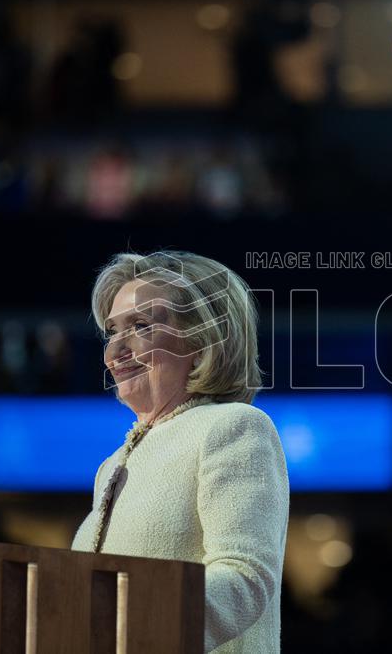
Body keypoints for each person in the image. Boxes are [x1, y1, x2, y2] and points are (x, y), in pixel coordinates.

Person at [71, 250, 289, 653]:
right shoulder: (112, 466)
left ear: (203, 340)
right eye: (111, 332)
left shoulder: (233, 428)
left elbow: (244, 579)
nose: (115, 352)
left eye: (140, 326)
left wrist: (128, 626)